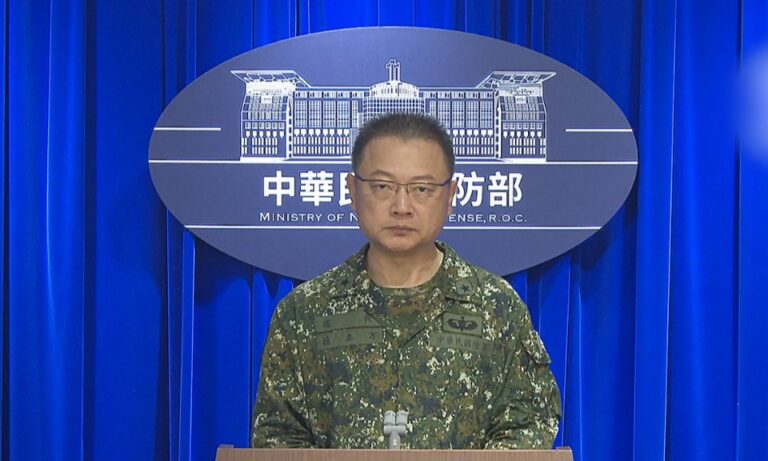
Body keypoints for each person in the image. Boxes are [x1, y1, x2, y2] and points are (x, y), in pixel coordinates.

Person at [251, 113, 561, 449]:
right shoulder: (303, 314)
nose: (401, 207)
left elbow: (526, 427)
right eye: (382, 187)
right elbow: (278, 438)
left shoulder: (497, 309)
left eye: (422, 189)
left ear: (450, 195)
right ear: (352, 190)